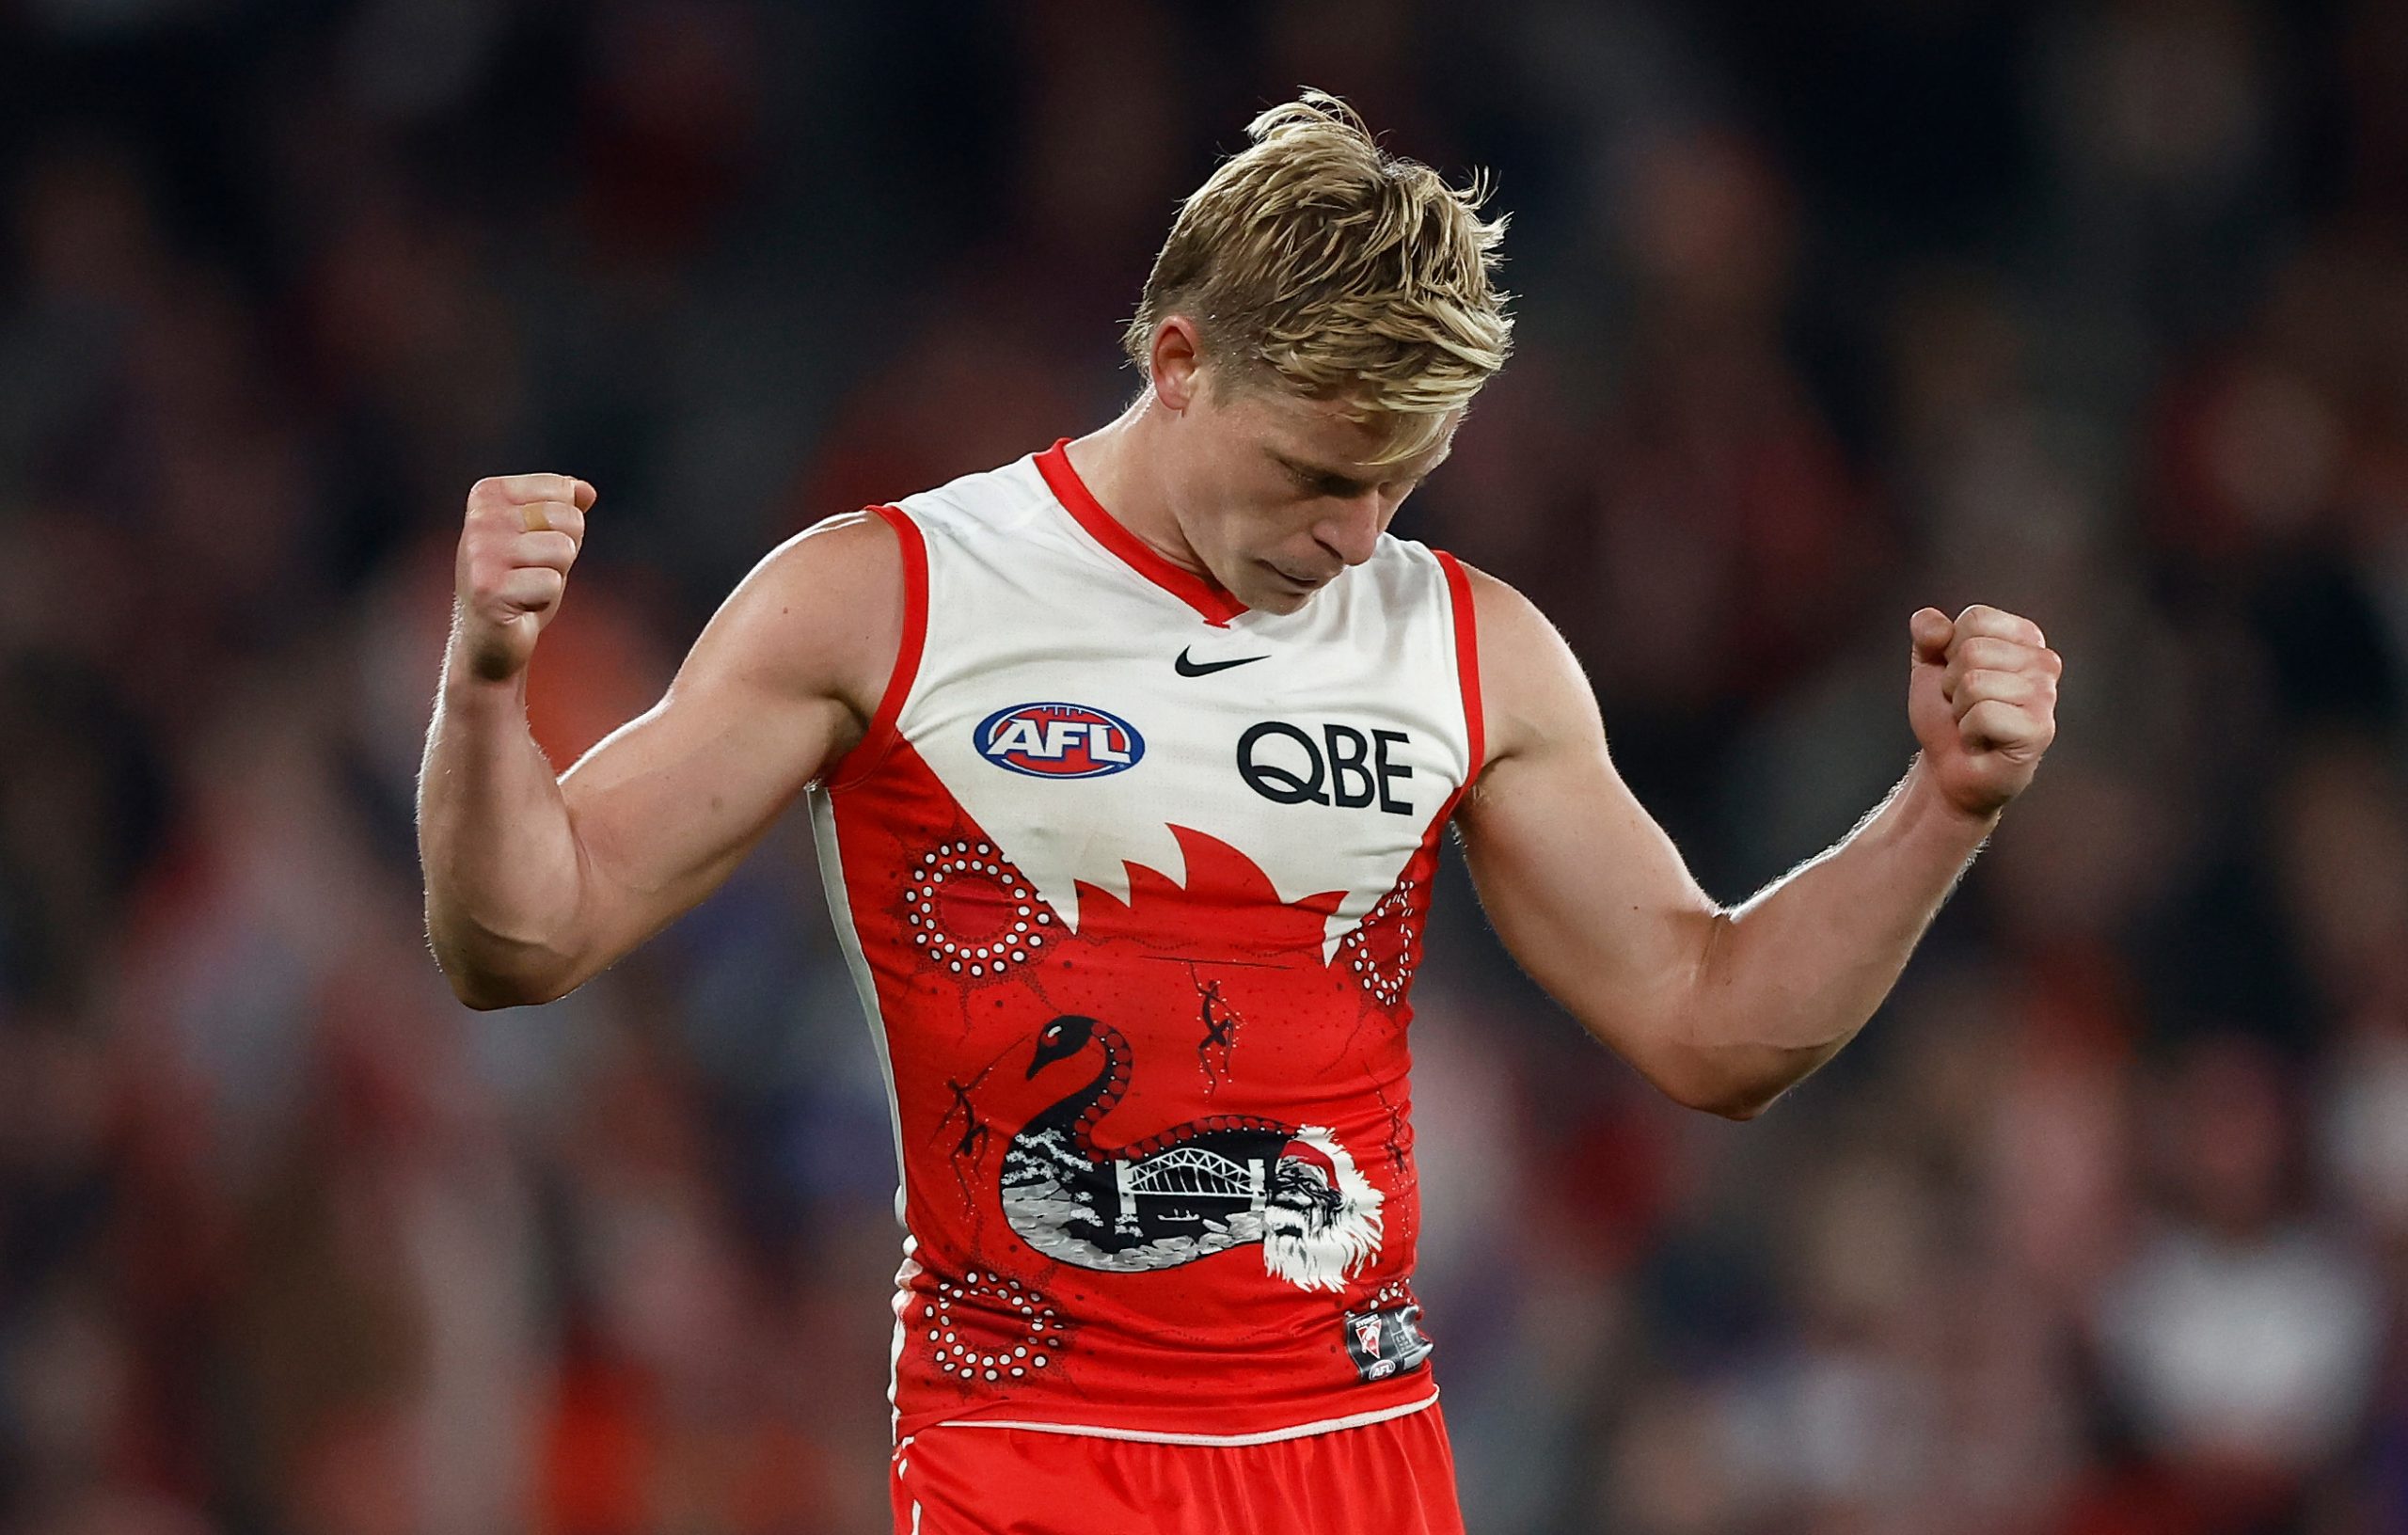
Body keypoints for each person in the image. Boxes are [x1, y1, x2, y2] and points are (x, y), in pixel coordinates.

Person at [417, 93, 2060, 1535]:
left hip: (1362, 1456)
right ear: (1179, 362)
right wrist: (487, 686)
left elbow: (1716, 1027)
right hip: (1036, 1452)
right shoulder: (890, 599)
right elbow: (528, 935)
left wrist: (1945, 805)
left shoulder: (1468, 649)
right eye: (1315, 474)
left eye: (1397, 481)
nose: (1356, 536)